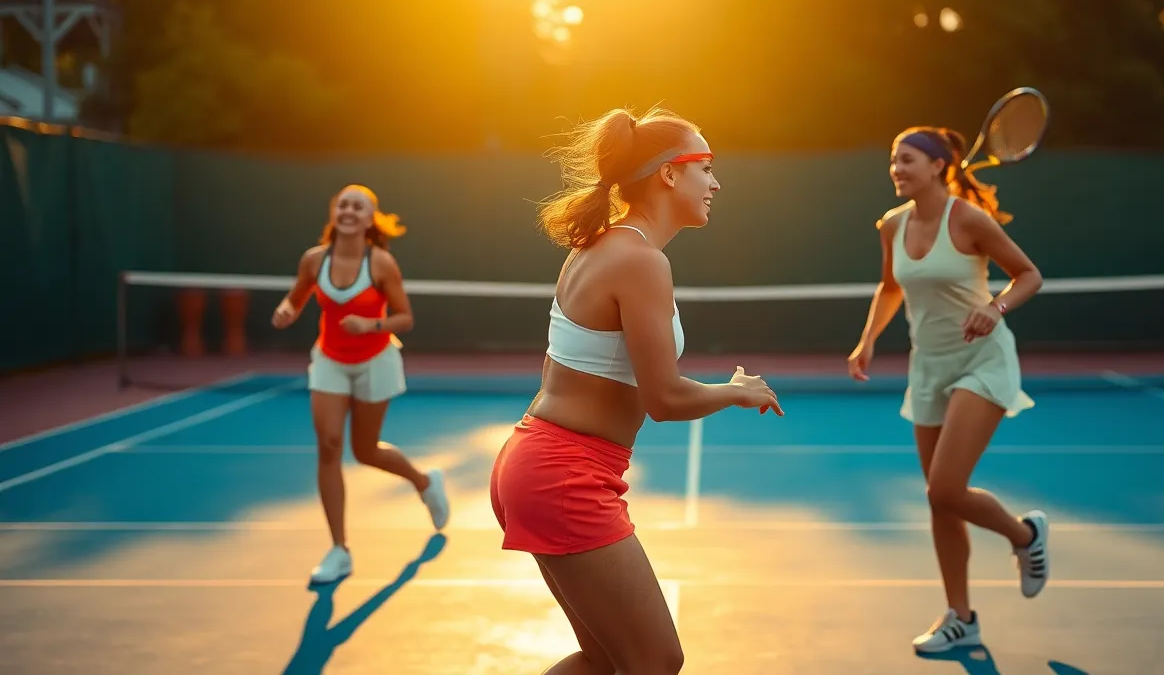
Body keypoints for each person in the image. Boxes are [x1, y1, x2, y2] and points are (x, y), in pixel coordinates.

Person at [490, 108, 784, 674]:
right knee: (655, 660)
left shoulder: (600, 246)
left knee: (604, 662)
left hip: (539, 460)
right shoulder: (641, 261)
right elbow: (665, 400)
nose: (715, 182)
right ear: (670, 174)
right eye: (706, 166)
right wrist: (736, 392)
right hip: (563, 473)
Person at [847, 126, 1049, 655]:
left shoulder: (969, 220)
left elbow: (1028, 275)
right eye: (893, 160)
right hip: (929, 367)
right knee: (942, 504)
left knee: (944, 489)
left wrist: (994, 307)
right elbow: (892, 286)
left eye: (907, 159)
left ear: (938, 166)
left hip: (983, 361)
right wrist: (868, 340)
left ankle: (1025, 536)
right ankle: (962, 619)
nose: (897, 169)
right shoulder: (892, 225)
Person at [272, 184, 450, 585]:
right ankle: (339, 549)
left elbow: (405, 318)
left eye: (359, 206)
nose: (349, 211)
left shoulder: (382, 263)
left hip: (375, 360)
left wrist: (370, 324)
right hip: (330, 361)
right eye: (343, 204)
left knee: (365, 451)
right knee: (329, 446)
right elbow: (297, 297)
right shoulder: (314, 260)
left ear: (370, 219)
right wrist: (286, 310)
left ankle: (424, 482)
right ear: (335, 213)